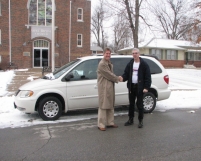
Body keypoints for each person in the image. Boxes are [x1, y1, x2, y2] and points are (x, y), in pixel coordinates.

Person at [121, 48, 151, 128]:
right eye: (133, 53)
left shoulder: (144, 64)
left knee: (140, 105)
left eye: (136, 53)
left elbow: (148, 77)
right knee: (131, 104)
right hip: (131, 87)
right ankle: (130, 119)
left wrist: (146, 87)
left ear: (139, 54)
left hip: (140, 87)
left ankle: (140, 121)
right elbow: (126, 74)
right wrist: (122, 78)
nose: (134, 54)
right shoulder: (130, 63)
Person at [97, 47, 122, 131]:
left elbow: (110, 74)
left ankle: (110, 122)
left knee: (110, 105)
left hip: (110, 87)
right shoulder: (102, 64)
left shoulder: (109, 63)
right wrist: (118, 78)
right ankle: (101, 124)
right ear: (103, 54)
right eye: (106, 53)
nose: (108, 55)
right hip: (104, 88)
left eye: (109, 53)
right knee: (103, 105)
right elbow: (109, 75)